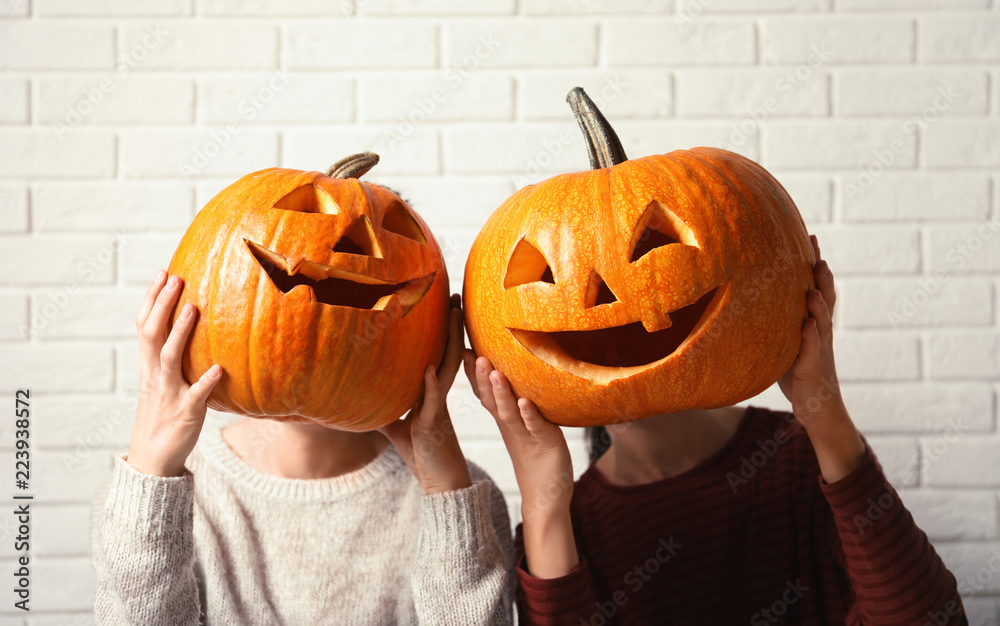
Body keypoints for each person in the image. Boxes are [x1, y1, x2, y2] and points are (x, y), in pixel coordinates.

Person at [464, 235, 966, 625]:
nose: (602, 302)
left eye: (648, 258)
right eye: (552, 279)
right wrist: (543, 501)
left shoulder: (802, 458)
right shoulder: (564, 531)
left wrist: (823, 406)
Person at [90, 271, 514, 625]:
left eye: (356, 304)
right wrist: (151, 475)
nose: (318, 339)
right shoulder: (150, 497)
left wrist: (448, 495)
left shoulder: (462, 499)